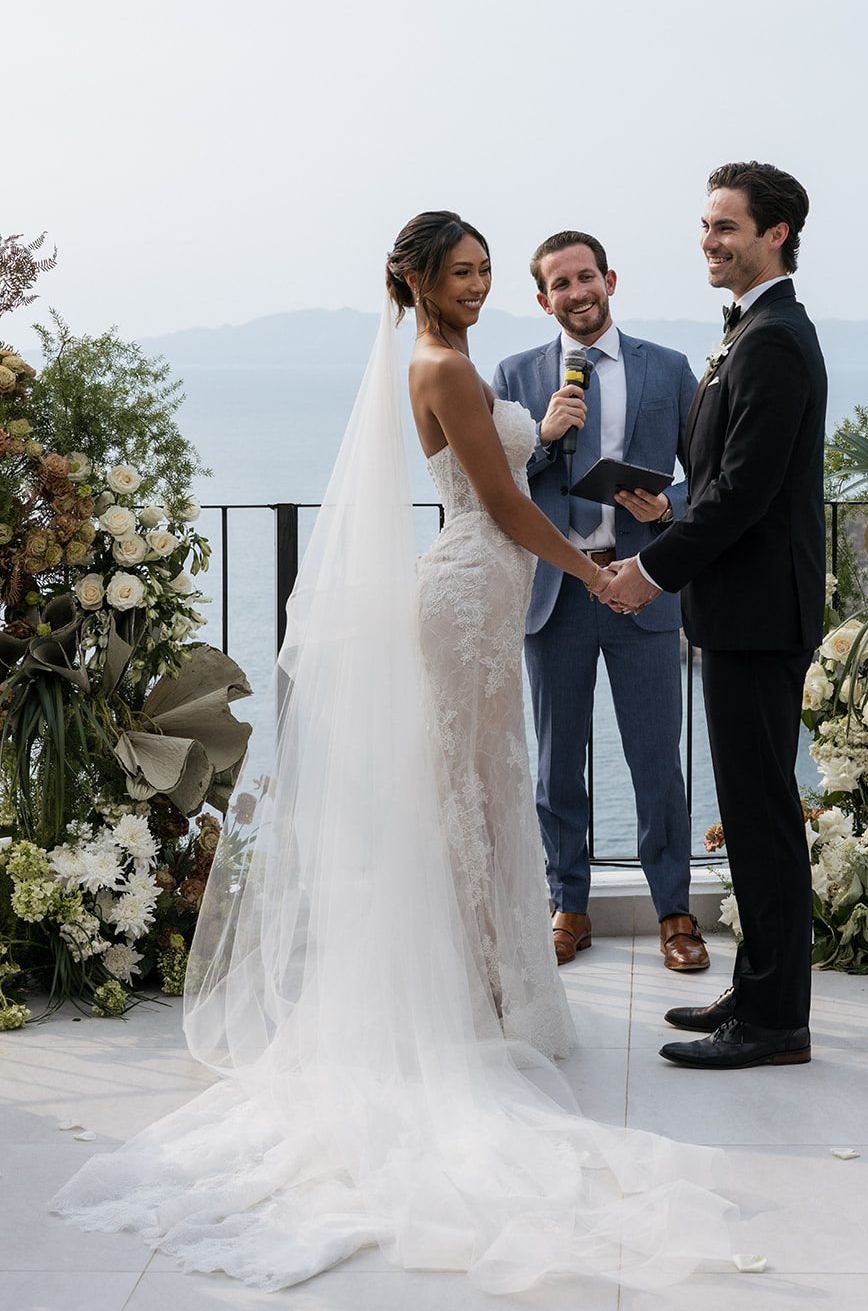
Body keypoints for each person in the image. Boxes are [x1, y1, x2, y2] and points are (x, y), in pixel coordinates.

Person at [52, 211, 732, 1291]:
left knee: (483, 791)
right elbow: (503, 504)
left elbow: (512, 479)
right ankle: (470, 997)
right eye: (460, 273)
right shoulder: (443, 366)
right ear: (416, 283)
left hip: (482, 595)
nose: (478, 285)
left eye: (483, 271)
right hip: (468, 594)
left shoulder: (455, 358)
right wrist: (597, 569)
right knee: (470, 792)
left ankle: (488, 983)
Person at [603, 164, 826, 1071]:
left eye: (725, 226)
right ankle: (758, 988)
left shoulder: (773, 339)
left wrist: (650, 572)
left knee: (762, 815)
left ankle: (776, 1022)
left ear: (774, 234)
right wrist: (671, 519)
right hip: (741, 609)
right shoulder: (749, 331)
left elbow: (744, 493)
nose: (708, 240)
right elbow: (724, 482)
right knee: (747, 806)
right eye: (705, 225)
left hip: (757, 614)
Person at [492, 231, 708, 972]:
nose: (577, 292)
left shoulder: (668, 368)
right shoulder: (514, 375)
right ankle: (568, 907)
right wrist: (545, 439)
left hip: (639, 586)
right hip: (556, 589)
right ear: (543, 298)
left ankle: (674, 914)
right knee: (557, 764)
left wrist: (666, 508)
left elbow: (705, 476)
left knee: (655, 761)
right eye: (561, 283)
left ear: (608, 280)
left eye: (587, 277)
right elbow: (495, 485)